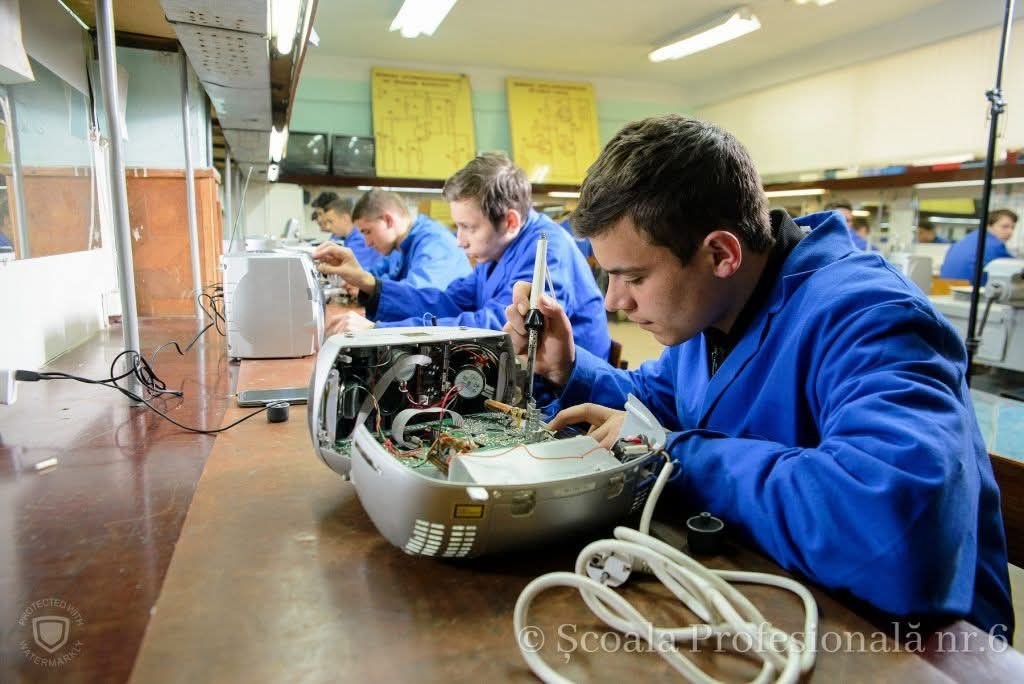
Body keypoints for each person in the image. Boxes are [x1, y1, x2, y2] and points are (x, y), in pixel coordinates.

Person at [503, 114, 1013, 639]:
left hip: (914, 643)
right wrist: (567, 366)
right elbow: (658, 402)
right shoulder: (710, 308)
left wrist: (674, 455)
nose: (614, 301)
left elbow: (892, 527)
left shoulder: (872, 318)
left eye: (632, 277)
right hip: (779, 596)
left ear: (721, 253)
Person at [313, 153, 611, 366]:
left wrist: (382, 333)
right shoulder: (497, 250)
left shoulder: (547, 250)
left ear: (509, 221)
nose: (459, 240)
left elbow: (498, 327)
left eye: (468, 227)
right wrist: (371, 285)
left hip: (559, 402)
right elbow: (447, 301)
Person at [348, 188, 472, 291]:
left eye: (368, 232)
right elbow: (377, 274)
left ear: (388, 220)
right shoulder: (399, 247)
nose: (368, 243)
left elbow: (418, 295)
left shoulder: (436, 244)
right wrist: (357, 280)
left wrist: (371, 288)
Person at [939, 209, 1017, 284]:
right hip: (973, 289)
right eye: (1004, 227)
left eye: (1012, 227)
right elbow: (1015, 268)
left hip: (945, 288)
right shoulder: (994, 245)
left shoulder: (965, 240)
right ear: (988, 226)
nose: (1010, 232)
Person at [319, 197, 382, 270]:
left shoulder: (360, 241)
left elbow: (355, 272)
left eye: (330, 221)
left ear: (345, 218)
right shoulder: (349, 239)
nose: (328, 227)